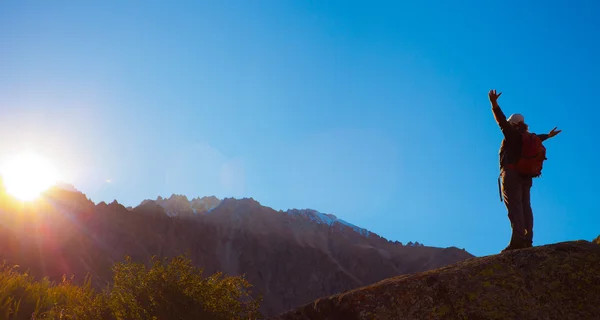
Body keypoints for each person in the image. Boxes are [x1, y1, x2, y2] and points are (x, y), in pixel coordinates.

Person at [488, 89, 561, 252]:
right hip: (526, 177)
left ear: (512, 123)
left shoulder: (511, 134)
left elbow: (500, 121)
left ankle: (517, 240)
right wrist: (548, 136)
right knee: (525, 207)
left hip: (511, 176)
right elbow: (539, 138)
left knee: (515, 207)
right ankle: (527, 239)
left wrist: (494, 104)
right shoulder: (528, 136)